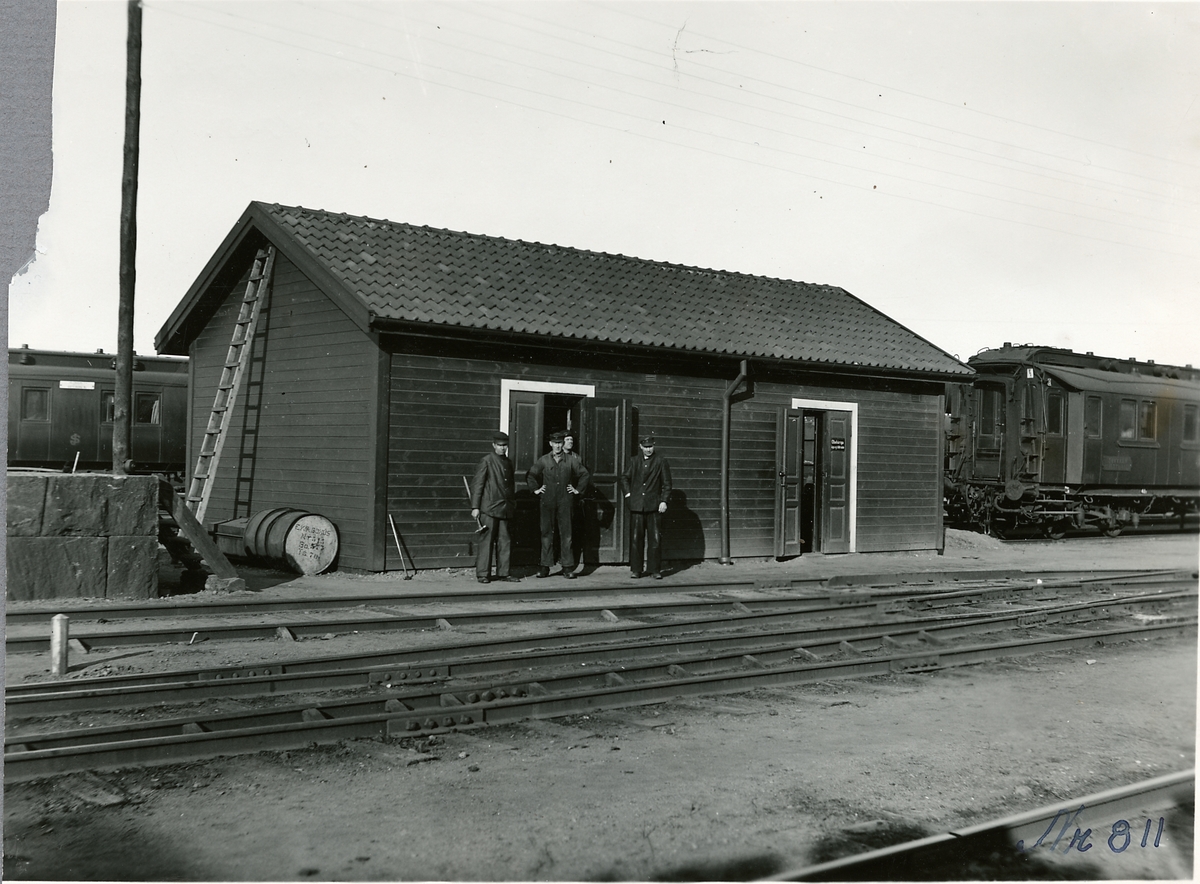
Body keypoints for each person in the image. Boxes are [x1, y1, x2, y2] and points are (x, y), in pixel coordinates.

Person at [527, 431, 590, 578]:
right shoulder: (544, 460)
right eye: (555, 443)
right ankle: (545, 566)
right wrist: (536, 489)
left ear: (563, 444)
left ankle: (567, 567)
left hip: (565, 501)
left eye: (560, 443)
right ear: (550, 444)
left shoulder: (571, 460)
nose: (557, 446)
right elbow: (531, 475)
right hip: (547, 501)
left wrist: (577, 490)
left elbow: (584, 474)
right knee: (546, 533)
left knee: (566, 534)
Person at [469, 431, 520, 585]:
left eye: (505, 445)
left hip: (505, 508)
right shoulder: (486, 461)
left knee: (505, 541)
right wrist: (475, 507)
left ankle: (504, 573)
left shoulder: (508, 462)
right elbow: (477, 485)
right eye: (499, 445)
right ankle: (483, 574)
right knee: (487, 541)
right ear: (494, 445)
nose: (502, 448)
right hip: (489, 509)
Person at [622, 434, 672, 579]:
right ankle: (636, 569)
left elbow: (667, 484)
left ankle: (654, 569)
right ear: (641, 447)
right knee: (636, 539)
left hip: (654, 506)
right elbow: (624, 478)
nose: (648, 449)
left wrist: (664, 501)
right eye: (646, 447)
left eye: (650, 447)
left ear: (654, 446)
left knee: (655, 539)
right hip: (637, 506)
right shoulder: (634, 461)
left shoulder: (661, 461)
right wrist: (628, 495)